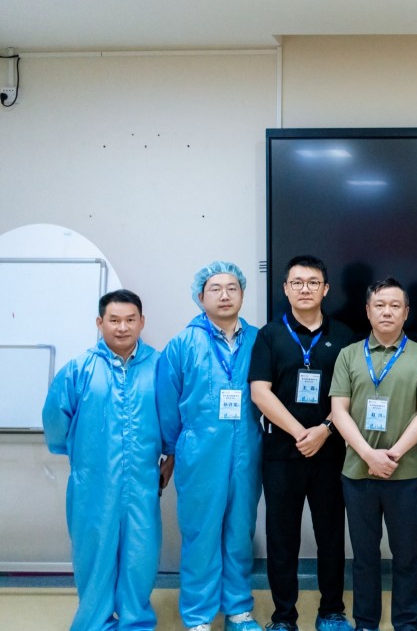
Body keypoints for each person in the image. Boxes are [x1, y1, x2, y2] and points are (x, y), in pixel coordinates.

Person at [42, 289, 170, 631]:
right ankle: (95, 623)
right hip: (93, 483)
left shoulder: (160, 367)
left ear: (142, 322)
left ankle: (135, 621)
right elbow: (55, 418)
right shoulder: (79, 369)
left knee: (140, 555)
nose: (122, 327)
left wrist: (169, 455)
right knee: (94, 555)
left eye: (130, 320)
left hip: (142, 481)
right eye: (114, 320)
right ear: (100, 323)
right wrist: (82, 459)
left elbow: (172, 417)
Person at [249, 255, 354, 631]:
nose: (304, 289)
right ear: (285, 289)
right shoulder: (269, 335)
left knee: (331, 535)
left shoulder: (344, 336)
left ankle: (332, 612)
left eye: (312, 282)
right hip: (281, 453)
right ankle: (284, 618)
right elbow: (260, 392)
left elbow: (353, 393)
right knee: (282, 539)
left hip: (330, 451)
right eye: (297, 282)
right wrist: (299, 433)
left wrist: (324, 429)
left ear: (325, 289)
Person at [157, 261, 263, 631]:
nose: (224, 295)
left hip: (247, 452)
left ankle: (238, 610)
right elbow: (167, 402)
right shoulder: (183, 344)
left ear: (242, 294)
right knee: (201, 534)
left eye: (232, 288)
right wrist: (169, 451)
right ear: (201, 297)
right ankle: (199, 616)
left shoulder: (258, 340)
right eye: (215, 289)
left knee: (239, 532)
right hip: (199, 453)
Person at [328, 277, 417, 631]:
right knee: (364, 557)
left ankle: (406, 623)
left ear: (406, 312)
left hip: (406, 474)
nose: (387, 311)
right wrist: (368, 455)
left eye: (394, 305)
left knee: (406, 558)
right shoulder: (348, 355)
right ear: (367, 311)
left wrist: (391, 455)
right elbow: (339, 411)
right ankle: (366, 623)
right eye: (379, 305)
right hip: (357, 474)